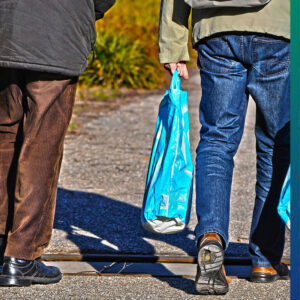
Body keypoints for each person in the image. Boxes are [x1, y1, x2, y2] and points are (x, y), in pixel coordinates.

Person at [159, 0, 290, 295]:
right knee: (276, 144)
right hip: (278, 29)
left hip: (215, 30)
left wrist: (172, 44)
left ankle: (211, 237)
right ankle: (265, 258)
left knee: (217, 140)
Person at [0, 0, 115, 287]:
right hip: (56, 33)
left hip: (7, 28)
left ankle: (3, 243)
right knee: (42, 143)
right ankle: (21, 255)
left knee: (4, 136)